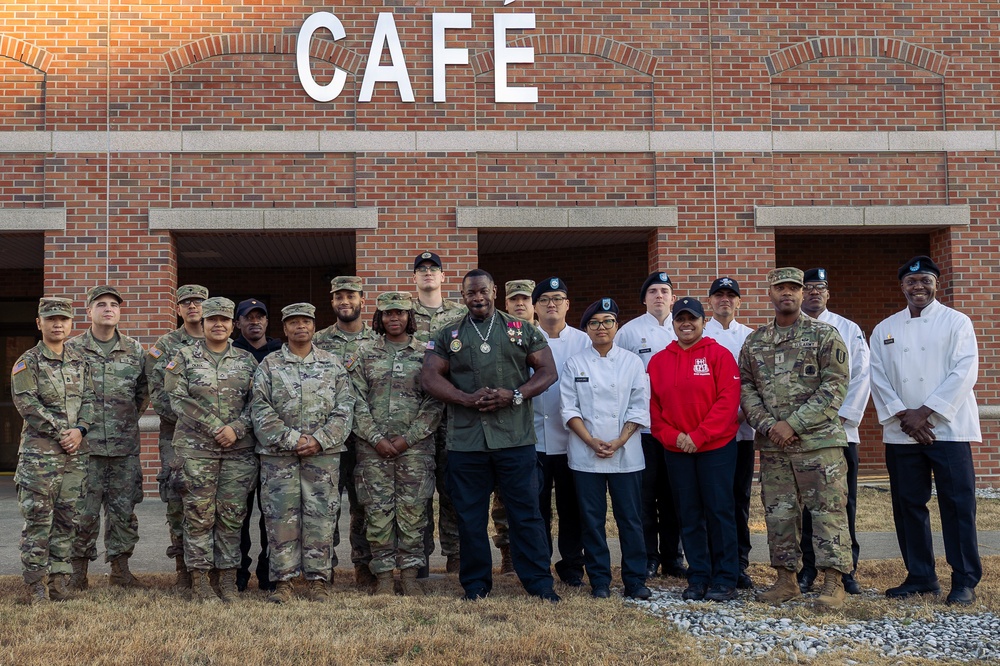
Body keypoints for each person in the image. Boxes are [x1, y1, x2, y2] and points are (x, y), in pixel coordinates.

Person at [421, 269, 560, 602]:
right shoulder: (448, 334)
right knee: (470, 517)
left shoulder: (521, 330)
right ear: (464, 295)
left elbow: (547, 371)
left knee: (525, 514)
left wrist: (515, 394)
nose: (478, 298)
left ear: (494, 291)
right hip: (467, 442)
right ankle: (476, 584)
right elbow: (429, 376)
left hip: (515, 438)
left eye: (483, 291)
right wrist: (464, 398)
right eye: (471, 293)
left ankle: (539, 583)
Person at [870, 256, 982, 606]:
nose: (918, 287)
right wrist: (905, 417)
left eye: (925, 281)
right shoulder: (885, 328)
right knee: (908, 505)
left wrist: (926, 413)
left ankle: (964, 580)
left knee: (957, 505)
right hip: (902, 432)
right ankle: (921, 575)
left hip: (947, 429)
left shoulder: (957, 322)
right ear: (902, 286)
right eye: (912, 282)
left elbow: (964, 371)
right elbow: (878, 377)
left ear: (937, 283)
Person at [739, 267, 853, 610]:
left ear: (803, 294)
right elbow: (746, 388)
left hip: (818, 444)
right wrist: (768, 425)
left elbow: (835, 387)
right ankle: (786, 580)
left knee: (827, 512)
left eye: (793, 288)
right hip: (774, 446)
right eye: (779, 288)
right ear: (770, 294)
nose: (786, 293)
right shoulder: (755, 341)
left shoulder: (824, 335)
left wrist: (793, 424)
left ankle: (833, 582)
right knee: (779, 514)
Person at [251, 302, 355, 604]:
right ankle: (284, 581)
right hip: (279, 458)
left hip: (322, 456)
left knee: (321, 518)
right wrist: (292, 439)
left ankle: (319, 580)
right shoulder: (269, 365)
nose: (300, 327)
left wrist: (320, 440)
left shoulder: (332, 364)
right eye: (293, 322)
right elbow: (260, 408)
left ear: (313, 326)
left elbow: (345, 408)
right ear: (284, 329)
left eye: (306, 322)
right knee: (280, 519)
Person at [346, 292, 444, 596]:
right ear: (378, 318)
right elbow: (353, 400)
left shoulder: (426, 353)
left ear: (409, 316)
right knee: (377, 512)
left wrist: (407, 439)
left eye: (400, 313)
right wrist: (376, 438)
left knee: (413, 512)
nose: (394, 318)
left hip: (415, 450)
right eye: (388, 313)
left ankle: (411, 576)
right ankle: (385, 577)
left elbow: (435, 401)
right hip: (372, 450)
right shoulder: (364, 354)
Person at [166, 297, 259, 603]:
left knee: (232, 516)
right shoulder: (183, 358)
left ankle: (229, 579)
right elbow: (176, 398)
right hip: (196, 452)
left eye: (224, 320)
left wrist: (237, 429)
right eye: (212, 320)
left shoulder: (247, 361)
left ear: (233, 324)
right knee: (199, 516)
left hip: (238, 451)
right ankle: (201, 581)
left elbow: (258, 403)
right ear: (202, 324)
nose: (218, 325)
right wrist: (216, 426)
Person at [649, 297, 741, 602]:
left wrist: (698, 436)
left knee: (718, 511)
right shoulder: (660, 361)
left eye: (693, 318)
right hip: (677, 450)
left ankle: (725, 576)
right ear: (673, 323)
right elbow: (654, 407)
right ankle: (699, 574)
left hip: (715, 448)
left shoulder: (720, 355)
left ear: (703, 321)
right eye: (680, 319)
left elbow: (728, 402)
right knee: (688, 514)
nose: (686, 323)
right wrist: (675, 438)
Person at [560, 298, 650, 600]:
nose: (602, 327)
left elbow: (639, 405)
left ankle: (635, 579)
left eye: (608, 321)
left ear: (617, 325)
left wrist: (620, 440)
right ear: (586, 329)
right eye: (595, 322)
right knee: (592, 520)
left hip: (626, 453)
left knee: (631, 519)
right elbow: (568, 408)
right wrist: (590, 440)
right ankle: (599, 579)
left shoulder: (631, 362)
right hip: (586, 454)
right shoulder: (575, 363)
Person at [66, 285, 150, 591]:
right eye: (101, 304)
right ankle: (77, 573)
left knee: (123, 512)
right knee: (82, 513)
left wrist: (123, 422)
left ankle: (120, 571)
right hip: (84, 448)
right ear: (88, 312)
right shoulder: (72, 349)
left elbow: (142, 393)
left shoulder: (134, 350)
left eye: (114, 304)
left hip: (123, 446)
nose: (108, 308)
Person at [12, 297, 95, 603]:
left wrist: (80, 431)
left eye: (63, 319)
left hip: (75, 456)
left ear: (72, 324)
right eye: (51, 319)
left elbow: (89, 401)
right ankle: (35, 586)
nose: (58, 324)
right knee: (38, 520)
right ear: (39, 324)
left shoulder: (79, 361)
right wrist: (63, 433)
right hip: (40, 457)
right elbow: (27, 404)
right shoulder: (27, 362)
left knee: (67, 519)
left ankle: (59, 583)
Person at [798, 268, 870, 596]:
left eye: (820, 288)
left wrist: (838, 420)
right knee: (805, 505)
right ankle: (808, 568)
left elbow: (860, 377)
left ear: (828, 293)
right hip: (802, 435)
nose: (814, 293)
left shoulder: (848, 329)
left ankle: (845, 570)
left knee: (843, 503)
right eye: (808, 288)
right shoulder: (788, 328)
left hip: (839, 433)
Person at [615, 271, 686, 579]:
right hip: (642, 430)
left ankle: (673, 557)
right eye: (653, 291)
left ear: (673, 297)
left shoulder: (684, 328)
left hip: (676, 428)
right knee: (644, 498)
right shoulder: (629, 332)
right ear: (644, 298)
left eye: (665, 291)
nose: (660, 295)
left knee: (673, 496)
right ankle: (648, 557)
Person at [313, 276, 379, 589]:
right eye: (339, 296)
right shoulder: (319, 340)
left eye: (351, 296)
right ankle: (324, 570)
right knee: (326, 504)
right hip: (329, 437)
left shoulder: (377, 340)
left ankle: (364, 568)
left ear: (362, 300)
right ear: (332, 302)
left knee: (363, 504)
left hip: (365, 437)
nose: (345, 302)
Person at [145, 283, 208, 590]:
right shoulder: (166, 345)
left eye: (198, 301)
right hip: (177, 436)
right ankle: (183, 569)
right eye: (187, 302)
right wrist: (194, 419)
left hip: (214, 440)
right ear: (178, 309)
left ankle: (212, 569)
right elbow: (158, 394)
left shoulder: (219, 340)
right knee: (177, 498)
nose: (193, 306)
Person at [531, 277, 590, 587]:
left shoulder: (584, 341)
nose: (551, 304)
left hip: (572, 440)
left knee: (572, 507)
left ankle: (571, 565)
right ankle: (539, 565)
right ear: (535, 307)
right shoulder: (524, 339)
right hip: (534, 439)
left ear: (568, 304)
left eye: (557, 298)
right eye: (544, 299)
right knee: (537, 508)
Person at [411, 251, 467, 575]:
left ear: (443, 277)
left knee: (453, 486)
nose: (428, 273)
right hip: (414, 414)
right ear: (415, 278)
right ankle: (418, 556)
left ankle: (456, 552)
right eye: (422, 270)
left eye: (434, 269)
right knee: (417, 489)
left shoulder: (460, 316)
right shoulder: (403, 313)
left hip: (452, 414)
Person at [702, 277, 756, 590]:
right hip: (708, 433)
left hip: (742, 431)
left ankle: (739, 563)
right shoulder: (699, 334)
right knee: (711, 501)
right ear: (710, 302)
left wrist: (740, 414)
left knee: (739, 500)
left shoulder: (751, 337)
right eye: (719, 295)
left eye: (730, 296)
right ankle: (711, 561)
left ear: (739, 302)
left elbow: (755, 384)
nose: (724, 300)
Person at [232, 298, 282, 593]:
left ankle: (268, 572)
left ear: (267, 321)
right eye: (247, 317)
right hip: (239, 445)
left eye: (259, 317)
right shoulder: (230, 351)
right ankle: (238, 573)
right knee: (237, 513)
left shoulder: (279, 352)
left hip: (273, 446)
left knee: (272, 512)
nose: (254, 322)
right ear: (237, 323)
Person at [490, 278, 537, 573]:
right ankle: (508, 551)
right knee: (504, 498)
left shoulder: (543, 335)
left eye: (525, 299)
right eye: (514, 300)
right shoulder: (496, 334)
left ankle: (535, 555)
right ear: (505, 303)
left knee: (534, 502)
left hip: (548, 432)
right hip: (509, 430)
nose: (520, 304)